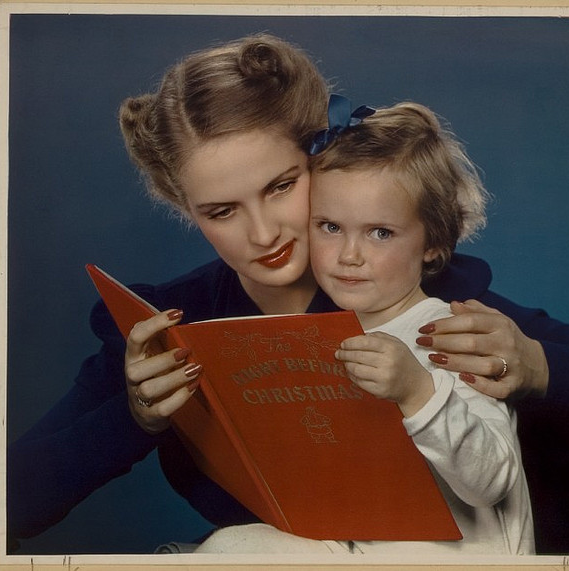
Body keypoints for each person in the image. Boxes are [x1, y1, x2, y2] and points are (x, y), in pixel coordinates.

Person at [6, 34, 569, 555]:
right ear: (183, 208)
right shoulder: (165, 326)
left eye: (281, 186)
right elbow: (13, 503)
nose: (264, 233)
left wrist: (539, 366)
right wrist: (136, 417)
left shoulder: (411, 287)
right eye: (221, 211)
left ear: (323, 157)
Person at [195, 97, 534, 555]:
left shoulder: (451, 334)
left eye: (380, 233)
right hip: (359, 548)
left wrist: (418, 391)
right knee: (231, 546)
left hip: (458, 558)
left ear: (433, 242)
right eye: (330, 227)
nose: (349, 255)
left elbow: (490, 481)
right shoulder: (325, 333)